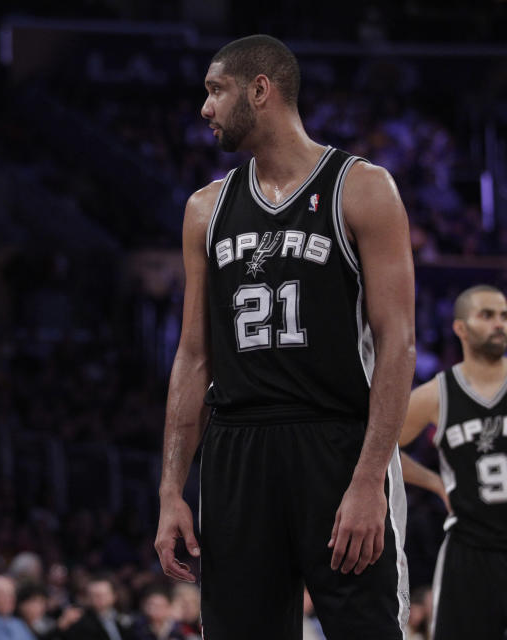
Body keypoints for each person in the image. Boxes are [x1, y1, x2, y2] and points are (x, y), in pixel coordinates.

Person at [154, 35, 415, 639]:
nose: (205, 108)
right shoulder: (205, 209)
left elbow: (398, 345)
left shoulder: (364, 188)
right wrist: (172, 491)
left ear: (260, 90)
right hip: (238, 448)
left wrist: (369, 478)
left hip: (337, 442)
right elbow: (194, 357)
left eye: (215, 91)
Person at [398, 285, 507, 640]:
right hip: (469, 550)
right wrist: (434, 482)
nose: (499, 324)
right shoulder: (436, 394)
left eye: (504, 316)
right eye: (487, 315)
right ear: (460, 327)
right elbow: (378, 448)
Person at [64, 577, 136, 640]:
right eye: (94, 595)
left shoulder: (124, 617)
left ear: (114, 596)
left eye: (102, 595)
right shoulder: (81, 622)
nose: (98, 599)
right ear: (88, 598)